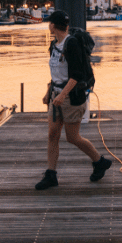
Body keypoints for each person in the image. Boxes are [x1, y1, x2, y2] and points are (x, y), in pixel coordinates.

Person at [35, 10, 111, 190]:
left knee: (72, 137)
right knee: (52, 134)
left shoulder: (72, 44)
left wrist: (62, 95)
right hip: (56, 96)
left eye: (50, 23)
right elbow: (55, 74)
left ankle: (99, 161)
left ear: (53, 25)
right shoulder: (54, 45)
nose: (49, 26)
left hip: (72, 97)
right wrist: (49, 92)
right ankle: (51, 175)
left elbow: (76, 75)